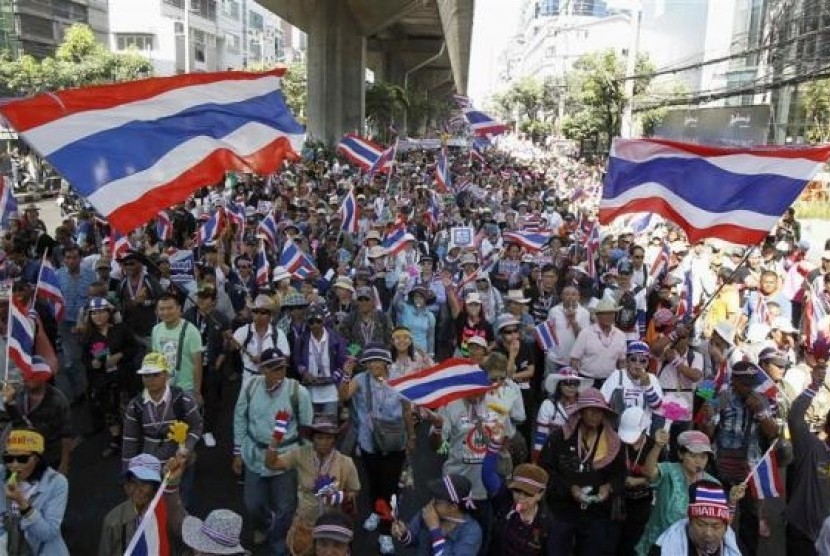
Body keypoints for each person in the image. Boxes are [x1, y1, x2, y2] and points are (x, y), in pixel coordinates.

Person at [232, 348, 312, 554]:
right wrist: (237, 452)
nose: (280, 373)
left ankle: (278, 539)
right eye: (274, 369)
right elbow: (240, 418)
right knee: (252, 503)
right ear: (262, 369)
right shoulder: (249, 386)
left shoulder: (298, 392)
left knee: (285, 506)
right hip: (254, 453)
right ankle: (265, 524)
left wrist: (308, 461)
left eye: (282, 368)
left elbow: (307, 428)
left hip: (285, 455)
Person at [338, 344, 415, 555]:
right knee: (373, 483)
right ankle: (374, 509)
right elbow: (344, 396)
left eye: (377, 361)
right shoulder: (361, 380)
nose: (373, 365)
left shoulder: (399, 379)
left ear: (386, 362)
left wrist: (412, 436)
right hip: (369, 443)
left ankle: (385, 532)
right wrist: (346, 374)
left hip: (394, 443)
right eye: (369, 361)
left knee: (389, 489)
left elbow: (407, 411)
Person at [540, 387, 625, 555]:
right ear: (580, 412)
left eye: (600, 411)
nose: (595, 415)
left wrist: (608, 487)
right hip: (562, 510)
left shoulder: (613, 442)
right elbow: (546, 469)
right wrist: (569, 488)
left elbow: (621, 474)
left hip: (597, 513)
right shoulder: (559, 438)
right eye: (591, 410)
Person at [265, 414, 360, 556]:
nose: (324, 442)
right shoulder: (300, 454)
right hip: (305, 524)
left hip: (332, 528)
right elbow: (271, 464)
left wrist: (338, 497)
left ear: (334, 440)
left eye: (328, 438)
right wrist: (277, 437)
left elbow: (354, 491)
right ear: (313, 439)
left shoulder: (346, 463)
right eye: (319, 438)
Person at [122, 352, 202, 508]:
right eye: (146, 375)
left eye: (155, 374)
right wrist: (127, 476)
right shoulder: (135, 406)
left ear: (166, 374)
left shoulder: (183, 399)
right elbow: (129, 442)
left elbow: (197, 426)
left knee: (179, 505)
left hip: (180, 463)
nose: (150, 380)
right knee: (152, 508)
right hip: (150, 465)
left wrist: (186, 448)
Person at [80, 296, 138, 458]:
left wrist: (120, 355)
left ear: (109, 313)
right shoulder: (88, 336)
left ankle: (133, 439)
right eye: (94, 313)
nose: (98, 316)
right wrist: (92, 364)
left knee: (129, 410)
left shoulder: (121, 329)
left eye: (101, 312)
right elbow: (84, 358)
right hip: (102, 381)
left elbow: (134, 348)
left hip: (124, 377)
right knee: (109, 411)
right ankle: (115, 441)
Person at [482, 424, 552, 555]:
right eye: (517, 491)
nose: (521, 497)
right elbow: (487, 475)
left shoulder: (547, 522)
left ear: (540, 495)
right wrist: (495, 444)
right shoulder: (504, 500)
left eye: (528, 494)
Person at [1, 429, 69, 555]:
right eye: (9, 458)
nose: (14, 465)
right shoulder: (2, 475)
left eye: (22, 459)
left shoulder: (56, 482)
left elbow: (48, 533)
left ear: (36, 459)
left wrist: (22, 502)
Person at [391, 474, 483, 555]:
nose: (430, 504)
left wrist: (434, 529)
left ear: (453, 507)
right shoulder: (428, 513)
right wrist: (403, 533)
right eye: (433, 498)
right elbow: (411, 539)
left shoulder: (471, 532)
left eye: (437, 501)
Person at [648, 481, 741, 555]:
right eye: (701, 524)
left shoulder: (732, 548)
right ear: (690, 521)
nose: (708, 533)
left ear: (725, 528)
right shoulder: (664, 548)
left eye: (716, 526)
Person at [152, 293, 204, 403]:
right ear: (157, 311)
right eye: (162, 309)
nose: (166, 312)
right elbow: (156, 359)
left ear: (179, 309)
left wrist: (197, 391)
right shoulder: (156, 330)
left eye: (170, 308)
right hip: (164, 387)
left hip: (186, 388)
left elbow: (197, 363)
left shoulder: (191, 331)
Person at [532, 367, 591, 463]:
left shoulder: (584, 405)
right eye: (567, 383)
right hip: (553, 451)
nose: (572, 387)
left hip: (580, 452)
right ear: (559, 385)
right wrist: (536, 460)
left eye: (575, 383)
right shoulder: (548, 405)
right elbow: (541, 435)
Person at [600, 340, 664, 428]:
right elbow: (603, 402)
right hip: (618, 428)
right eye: (633, 359)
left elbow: (656, 406)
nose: (637, 364)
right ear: (627, 361)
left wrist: (648, 387)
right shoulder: (617, 375)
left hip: (642, 430)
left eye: (642, 361)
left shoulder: (652, 378)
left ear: (648, 363)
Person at [569, 299, 627, 386]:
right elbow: (574, 359)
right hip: (587, 380)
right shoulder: (585, 333)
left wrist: (623, 381)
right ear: (598, 316)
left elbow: (622, 362)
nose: (609, 316)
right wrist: (574, 381)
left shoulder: (621, 335)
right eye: (605, 314)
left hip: (610, 381)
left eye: (612, 313)